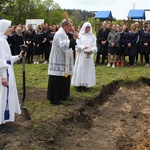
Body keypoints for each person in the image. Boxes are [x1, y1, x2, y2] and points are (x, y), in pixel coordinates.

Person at [47, 19, 78, 105]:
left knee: (63, 78)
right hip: (58, 59)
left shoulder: (65, 34)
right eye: (70, 26)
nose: (71, 28)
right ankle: (55, 99)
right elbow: (63, 45)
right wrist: (73, 39)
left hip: (64, 59)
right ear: (65, 25)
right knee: (57, 79)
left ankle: (63, 96)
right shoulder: (60, 33)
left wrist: (74, 40)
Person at [0, 19, 22, 133]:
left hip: (8, 72)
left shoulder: (4, 40)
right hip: (3, 74)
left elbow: (7, 59)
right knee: (2, 96)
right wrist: (3, 77)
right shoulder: (0, 41)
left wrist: (18, 56)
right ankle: (0, 122)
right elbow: (0, 61)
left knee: (6, 96)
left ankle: (4, 119)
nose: (11, 29)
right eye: (9, 27)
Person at [71, 22, 97, 92]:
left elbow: (94, 45)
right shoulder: (80, 35)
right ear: (84, 28)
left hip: (89, 55)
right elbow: (77, 45)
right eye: (86, 27)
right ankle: (79, 84)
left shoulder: (92, 36)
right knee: (81, 68)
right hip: (82, 55)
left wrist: (93, 50)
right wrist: (83, 47)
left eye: (89, 28)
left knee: (88, 69)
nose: (88, 29)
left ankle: (87, 83)